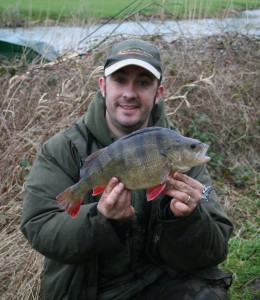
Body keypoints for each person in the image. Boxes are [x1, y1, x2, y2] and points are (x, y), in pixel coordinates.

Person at [21, 38, 233, 300]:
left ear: (159, 93)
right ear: (103, 86)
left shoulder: (181, 152)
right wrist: (102, 219)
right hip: (88, 290)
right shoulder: (62, 149)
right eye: (120, 80)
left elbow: (216, 247)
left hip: (158, 282)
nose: (130, 93)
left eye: (143, 83)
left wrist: (186, 218)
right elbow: (39, 228)